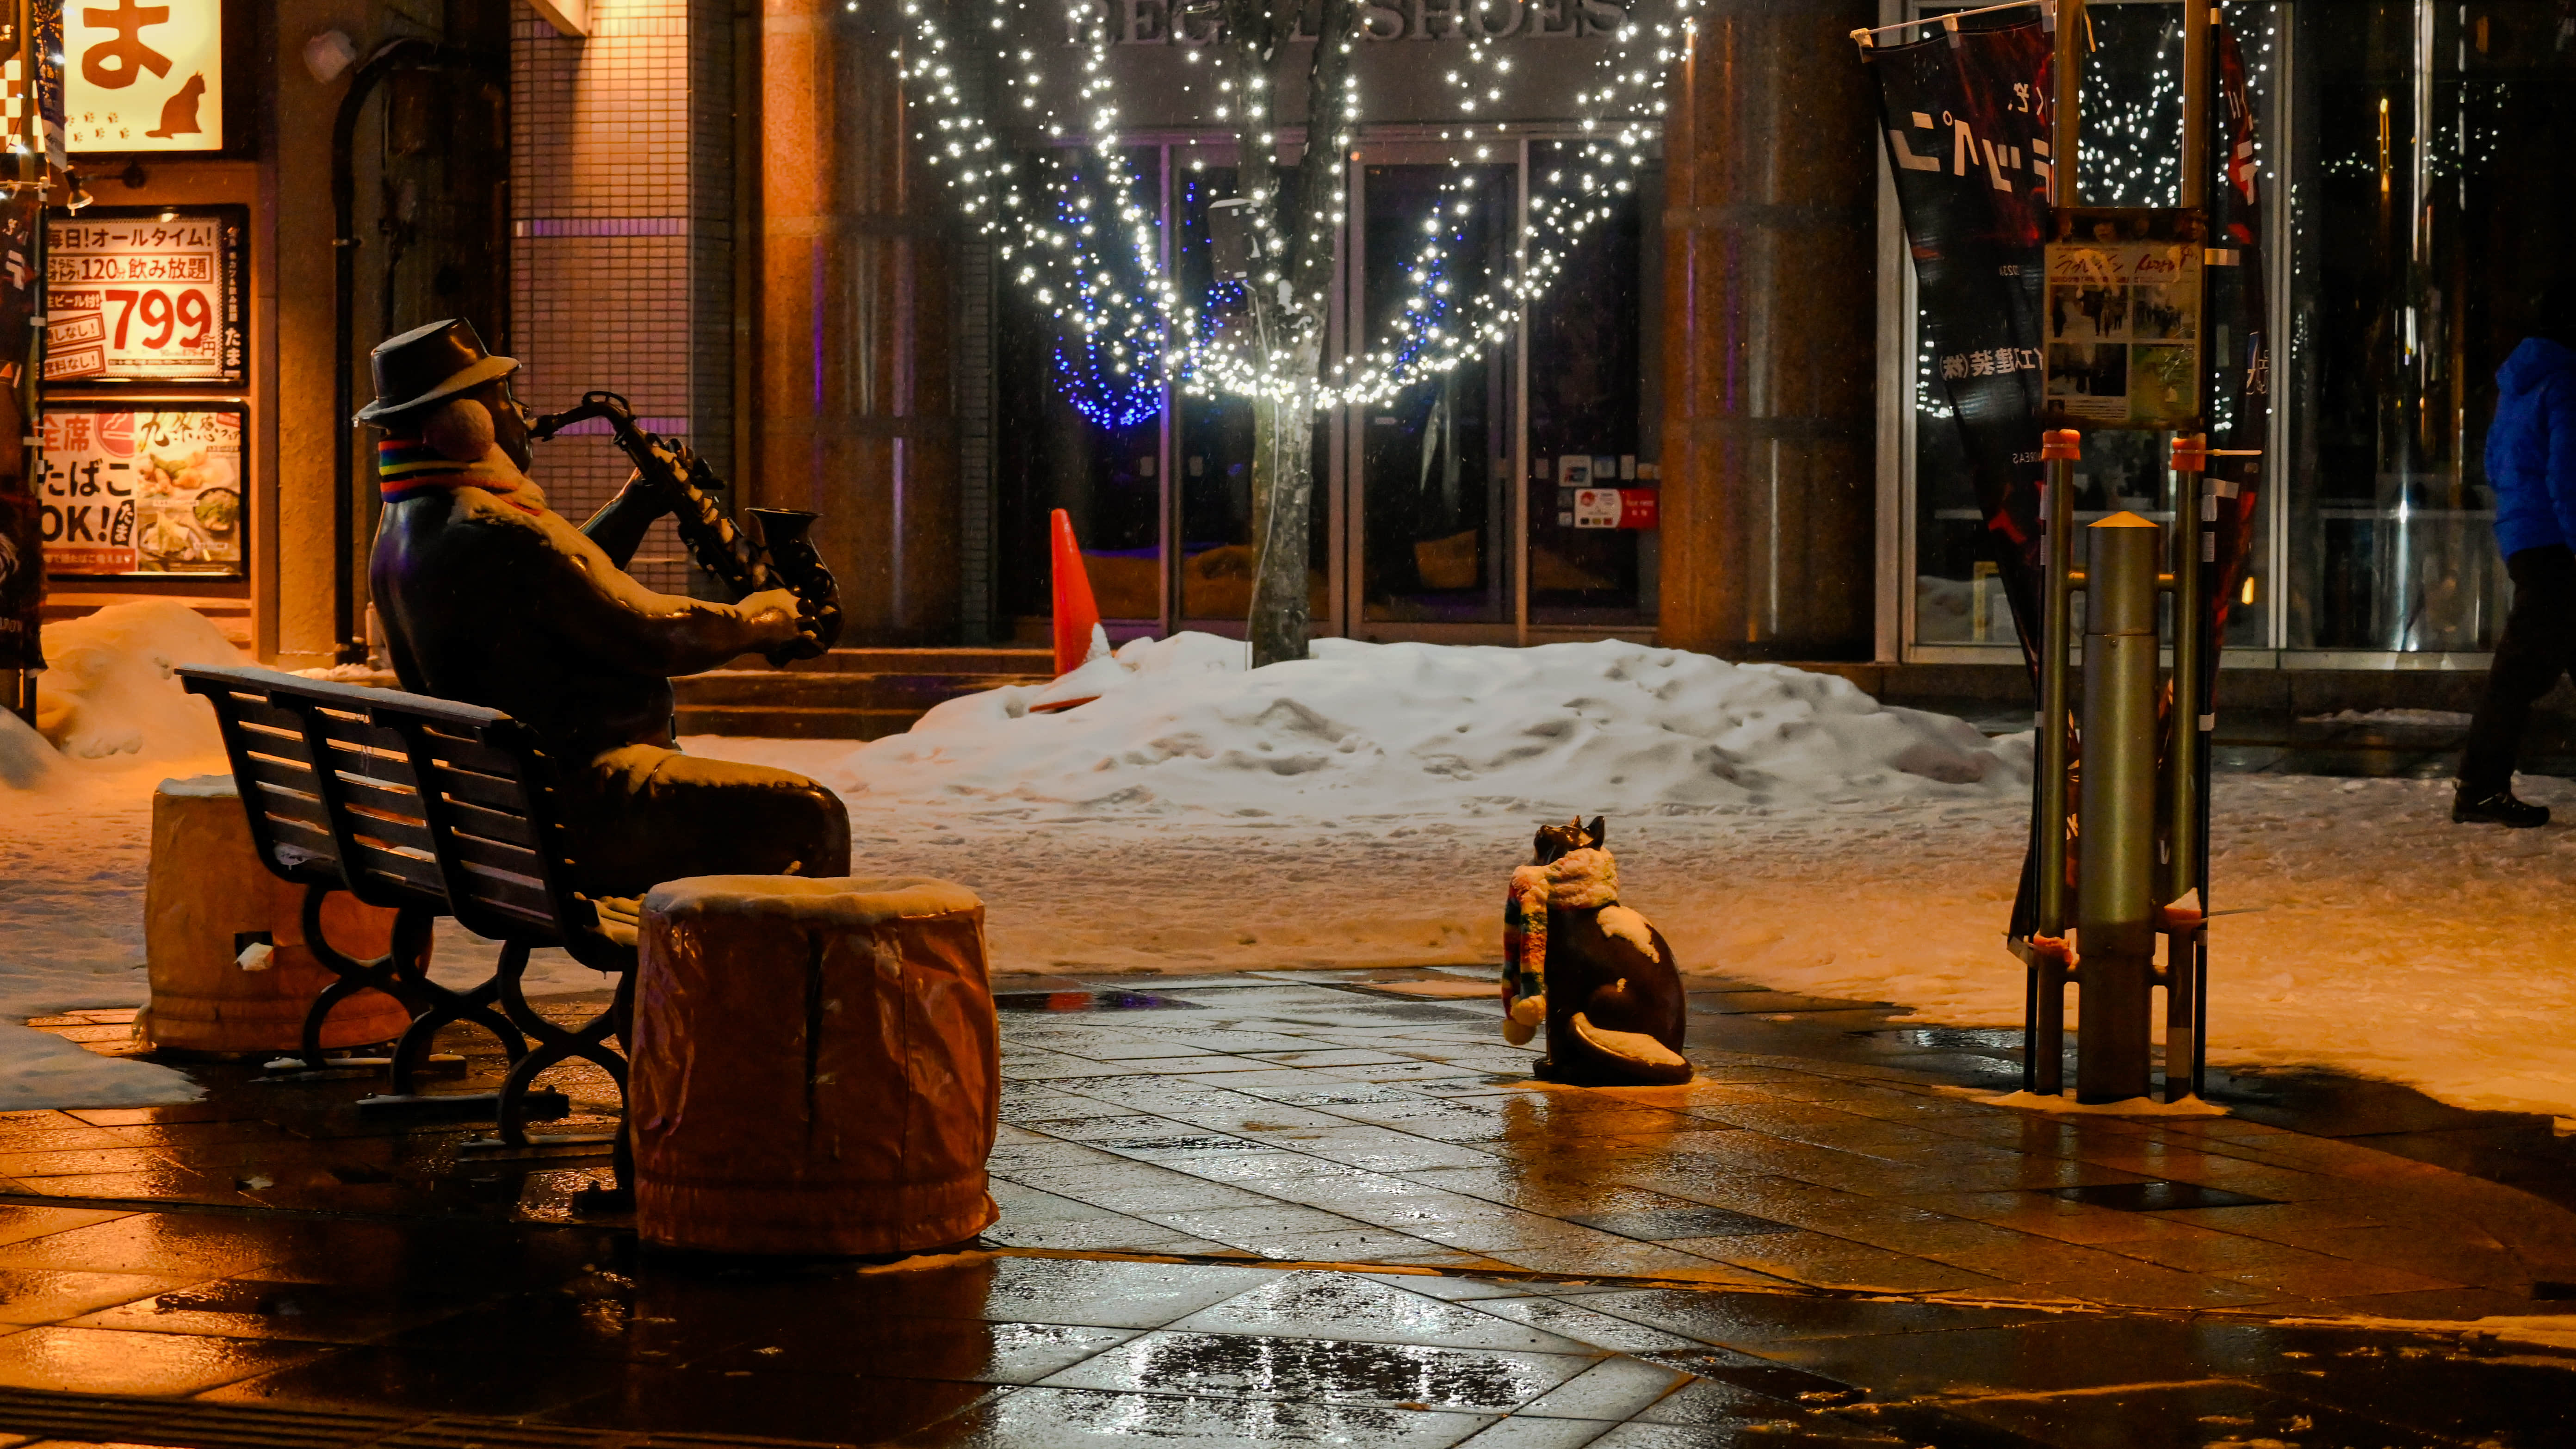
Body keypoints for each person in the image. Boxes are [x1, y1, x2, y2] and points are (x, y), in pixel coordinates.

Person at [362, 318, 852, 894]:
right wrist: (767, 621)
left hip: (503, 811)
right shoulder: (497, 532)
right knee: (810, 814)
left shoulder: (413, 529)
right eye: (508, 403)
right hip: (586, 805)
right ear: (467, 425)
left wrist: (635, 506)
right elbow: (648, 634)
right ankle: (773, 982)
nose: (523, 418)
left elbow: (563, 590)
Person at [2458, 287, 2576, 826]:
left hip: (2527, 535)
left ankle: (2481, 787)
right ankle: (2480, 789)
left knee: (2523, 668)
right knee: (2517, 673)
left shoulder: (2517, 385)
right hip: (2559, 541)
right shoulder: (2568, 379)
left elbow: (2494, 460)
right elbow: (2569, 474)